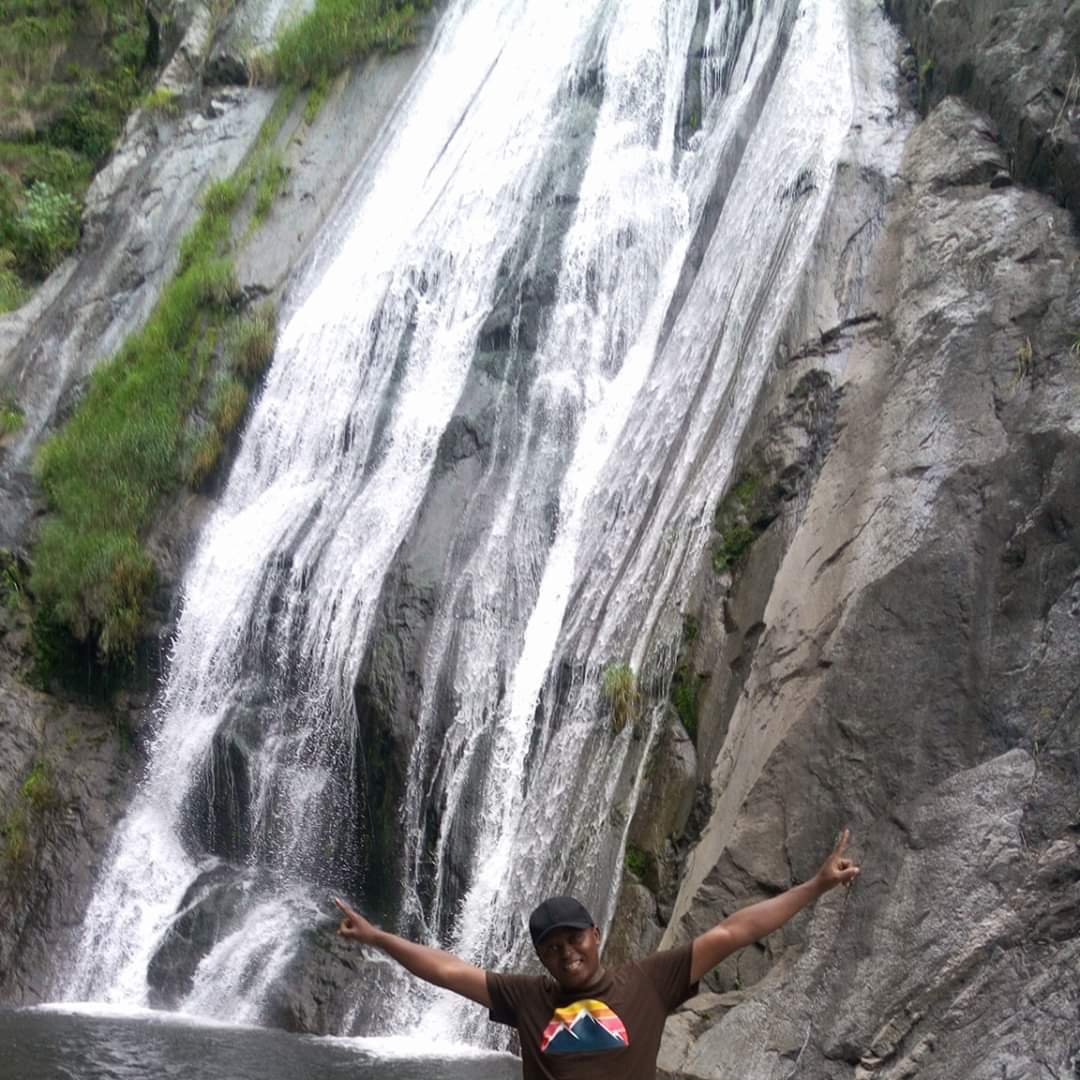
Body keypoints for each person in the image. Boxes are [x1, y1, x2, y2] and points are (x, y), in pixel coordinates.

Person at [334, 830, 859, 1078]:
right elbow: (448, 971)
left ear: (597, 934)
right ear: (541, 956)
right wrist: (380, 938)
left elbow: (732, 932)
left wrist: (813, 887)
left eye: (574, 939)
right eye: (552, 947)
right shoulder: (526, 997)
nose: (567, 954)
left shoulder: (650, 982)